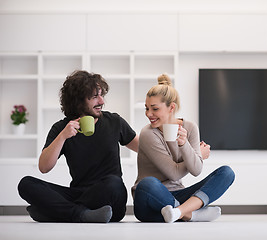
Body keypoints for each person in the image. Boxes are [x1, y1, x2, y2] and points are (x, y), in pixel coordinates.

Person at [18, 70, 139, 223]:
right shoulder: (62, 128)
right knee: (26, 184)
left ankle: (58, 211)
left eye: (101, 95)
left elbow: (143, 148)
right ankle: (81, 214)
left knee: (114, 184)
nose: (101, 101)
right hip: (78, 193)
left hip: (109, 196)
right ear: (79, 101)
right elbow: (44, 167)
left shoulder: (114, 121)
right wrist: (62, 136)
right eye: (95, 97)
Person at [132, 74, 235, 223]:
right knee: (148, 183)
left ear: (171, 107)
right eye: (146, 108)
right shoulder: (148, 133)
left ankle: (177, 212)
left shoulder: (190, 128)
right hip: (149, 201)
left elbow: (196, 170)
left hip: (178, 194)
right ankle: (190, 214)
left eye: (154, 109)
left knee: (226, 173)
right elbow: (174, 173)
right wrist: (197, 153)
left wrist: (184, 144)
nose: (148, 114)